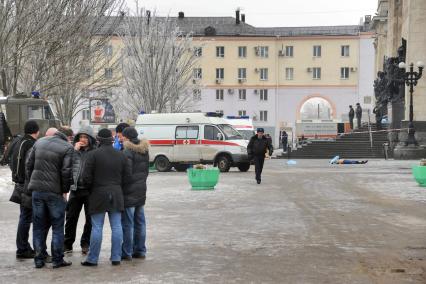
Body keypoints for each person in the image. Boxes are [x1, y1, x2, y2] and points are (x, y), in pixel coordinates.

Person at [81, 128, 131, 267]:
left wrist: (91, 189)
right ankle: (116, 257)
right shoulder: (121, 155)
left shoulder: (93, 155)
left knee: (97, 227)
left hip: (97, 193)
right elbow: (128, 177)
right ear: (111, 139)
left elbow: (86, 177)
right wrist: (118, 187)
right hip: (116, 192)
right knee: (116, 226)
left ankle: (93, 259)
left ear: (98, 140)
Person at [27, 127, 74, 269]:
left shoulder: (40, 142)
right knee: (57, 227)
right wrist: (64, 191)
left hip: (37, 191)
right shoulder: (67, 147)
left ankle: (39, 259)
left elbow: (29, 165)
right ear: (67, 137)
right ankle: (57, 259)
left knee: (38, 226)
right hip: (55, 192)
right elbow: (66, 172)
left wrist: (33, 183)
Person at [9, 121, 39, 259]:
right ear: (36, 131)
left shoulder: (19, 142)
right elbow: (31, 166)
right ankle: (22, 248)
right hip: (27, 185)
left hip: (19, 183)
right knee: (26, 217)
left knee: (24, 217)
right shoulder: (31, 144)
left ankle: (24, 246)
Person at [64, 126, 97, 254]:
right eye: (81, 137)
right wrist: (74, 151)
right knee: (71, 218)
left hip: (90, 191)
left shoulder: (95, 152)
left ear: (90, 138)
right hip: (75, 189)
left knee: (90, 219)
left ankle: (85, 243)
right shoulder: (73, 150)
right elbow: (66, 166)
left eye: (85, 137)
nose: (83, 139)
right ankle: (67, 244)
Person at [120, 127, 149, 260]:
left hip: (129, 192)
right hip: (141, 190)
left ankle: (127, 252)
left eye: (123, 136)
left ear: (127, 137)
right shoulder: (144, 150)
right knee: (140, 222)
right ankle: (141, 250)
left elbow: (127, 174)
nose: (121, 138)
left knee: (128, 223)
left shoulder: (127, 151)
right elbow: (146, 172)